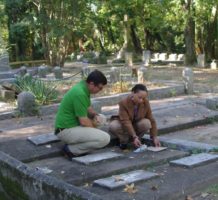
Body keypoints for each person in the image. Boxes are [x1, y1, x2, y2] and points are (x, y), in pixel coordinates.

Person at [55, 70, 110, 159]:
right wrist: (95, 131)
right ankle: (71, 149)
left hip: (72, 126)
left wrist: (95, 115)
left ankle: (79, 141)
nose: (100, 90)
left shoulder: (84, 86)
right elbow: (84, 121)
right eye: (99, 88)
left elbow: (88, 108)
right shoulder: (80, 93)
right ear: (92, 84)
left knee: (102, 118)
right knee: (105, 139)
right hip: (65, 130)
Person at [109, 84, 160, 149]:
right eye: (140, 97)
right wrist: (134, 136)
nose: (142, 100)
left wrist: (154, 137)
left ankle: (137, 140)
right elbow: (126, 121)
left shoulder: (145, 102)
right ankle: (124, 141)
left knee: (146, 123)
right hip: (124, 125)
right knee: (114, 126)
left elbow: (151, 119)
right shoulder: (123, 103)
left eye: (144, 98)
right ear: (133, 93)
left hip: (136, 124)